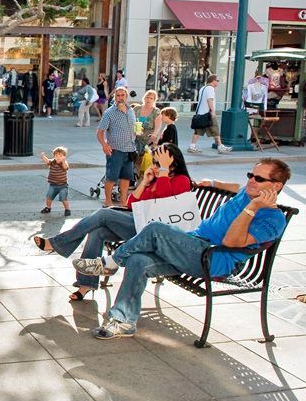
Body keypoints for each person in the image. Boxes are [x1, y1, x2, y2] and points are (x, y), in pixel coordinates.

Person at [74, 158, 290, 339]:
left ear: (276, 186)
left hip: (212, 259)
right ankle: (124, 321)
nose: (251, 180)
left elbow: (232, 242)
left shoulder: (273, 219)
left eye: (259, 178)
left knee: (156, 229)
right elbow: (235, 187)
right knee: (138, 259)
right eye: (250, 175)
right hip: (193, 245)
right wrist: (212, 182)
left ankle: (109, 264)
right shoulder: (248, 191)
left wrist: (252, 208)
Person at [34, 144, 192, 301]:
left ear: (172, 163)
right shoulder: (156, 179)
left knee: (103, 214)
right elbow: (131, 204)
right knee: (97, 231)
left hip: (152, 234)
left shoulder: (181, 180)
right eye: (154, 162)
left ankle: (58, 243)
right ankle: (86, 283)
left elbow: (165, 202)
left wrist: (163, 171)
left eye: (158, 163)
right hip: (138, 225)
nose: (155, 166)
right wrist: (144, 182)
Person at [97, 87, 136, 208]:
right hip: (115, 150)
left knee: (126, 177)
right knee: (111, 177)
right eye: (118, 95)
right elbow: (99, 131)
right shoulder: (109, 113)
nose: (120, 98)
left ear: (126, 96)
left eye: (123, 95)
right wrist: (104, 145)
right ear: (115, 97)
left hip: (130, 149)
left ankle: (123, 202)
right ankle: (108, 201)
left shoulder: (131, 110)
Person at [188, 75, 232, 154]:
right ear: (213, 80)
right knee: (215, 129)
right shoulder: (210, 89)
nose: (218, 82)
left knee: (199, 130)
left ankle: (192, 146)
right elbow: (209, 100)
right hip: (208, 113)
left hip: (201, 113)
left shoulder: (203, 88)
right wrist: (212, 111)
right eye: (217, 80)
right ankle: (220, 147)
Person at [131, 90, 163, 174]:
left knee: (144, 161)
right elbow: (131, 121)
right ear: (144, 98)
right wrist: (135, 128)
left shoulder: (156, 111)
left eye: (151, 98)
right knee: (134, 160)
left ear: (154, 100)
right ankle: (135, 179)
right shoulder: (137, 108)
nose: (148, 99)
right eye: (147, 97)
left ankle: (143, 180)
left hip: (148, 140)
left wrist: (154, 135)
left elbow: (158, 126)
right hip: (135, 138)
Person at [40, 147, 71, 216]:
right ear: (54, 156)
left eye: (60, 156)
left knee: (63, 198)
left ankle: (67, 209)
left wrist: (63, 162)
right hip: (53, 185)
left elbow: (66, 167)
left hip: (63, 185)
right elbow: (47, 161)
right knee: (49, 197)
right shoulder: (52, 162)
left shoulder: (64, 163)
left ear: (64, 157)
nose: (58, 157)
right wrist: (43, 157)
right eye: (56, 155)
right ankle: (48, 208)